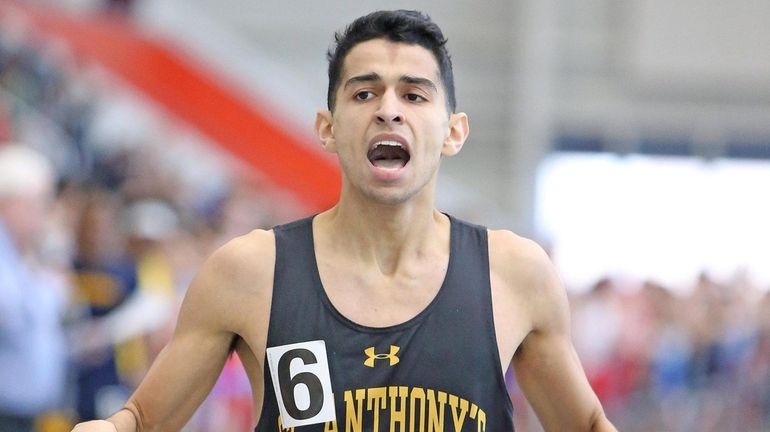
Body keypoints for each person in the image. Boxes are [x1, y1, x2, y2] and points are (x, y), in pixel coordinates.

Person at [72, 10, 616, 431]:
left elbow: (587, 423)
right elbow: (143, 419)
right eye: (364, 92)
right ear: (328, 128)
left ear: (453, 132)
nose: (388, 109)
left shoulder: (515, 274)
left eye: (414, 94)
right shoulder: (249, 272)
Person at [0, 143, 69, 431]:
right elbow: (11, 313)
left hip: (23, 410)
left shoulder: (21, 254)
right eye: (37, 202)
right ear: (11, 202)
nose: (43, 214)